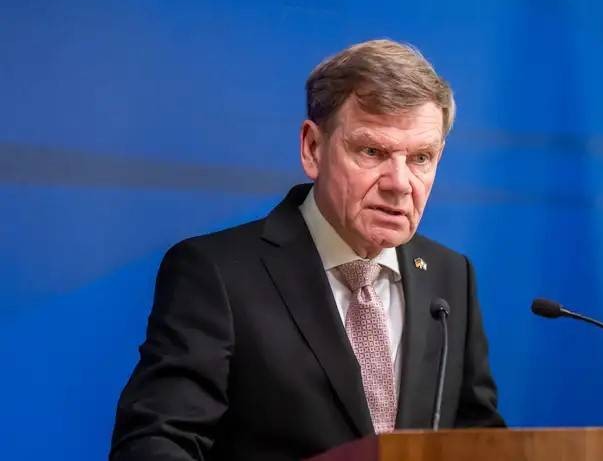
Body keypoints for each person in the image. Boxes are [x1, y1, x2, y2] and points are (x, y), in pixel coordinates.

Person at [111, 39, 505, 461]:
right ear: (313, 148)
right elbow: (155, 442)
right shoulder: (217, 275)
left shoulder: (450, 277)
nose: (399, 183)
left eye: (421, 158)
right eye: (372, 151)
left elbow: (479, 440)